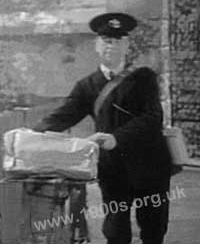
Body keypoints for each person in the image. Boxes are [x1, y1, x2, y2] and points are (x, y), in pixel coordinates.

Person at [34, 12, 172, 244]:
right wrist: (32, 133)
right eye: (107, 40)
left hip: (150, 168)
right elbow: (65, 115)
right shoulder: (87, 85)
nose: (112, 46)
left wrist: (115, 138)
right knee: (116, 231)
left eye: (118, 41)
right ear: (96, 45)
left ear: (127, 45)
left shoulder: (144, 78)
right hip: (114, 170)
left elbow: (152, 117)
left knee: (154, 229)